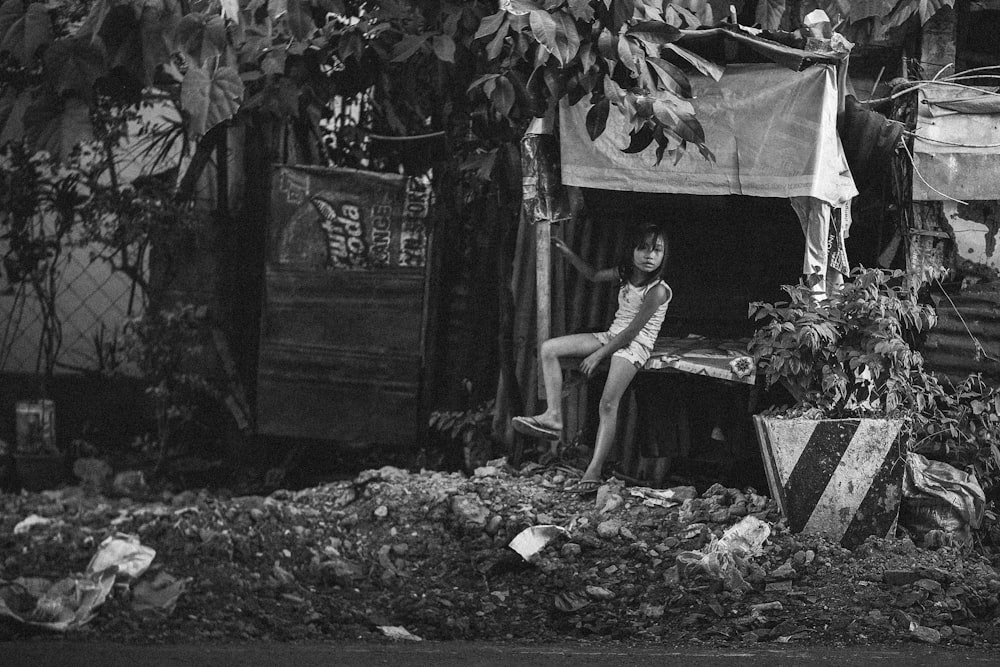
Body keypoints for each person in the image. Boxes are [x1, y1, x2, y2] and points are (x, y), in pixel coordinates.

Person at [512, 223, 672, 495]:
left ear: (664, 256)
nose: (648, 255)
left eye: (656, 250)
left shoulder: (657, 290)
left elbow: (633, 331)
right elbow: (595, 275)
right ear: (631, 250)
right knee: (549, 349)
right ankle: (553, 416)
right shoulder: (625, 274)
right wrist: (569, 254)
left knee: (608, 404)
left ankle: (594, 469)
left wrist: (599, 355)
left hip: (635, 345)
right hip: (612, 336)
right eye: (642, 247)